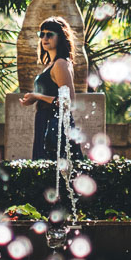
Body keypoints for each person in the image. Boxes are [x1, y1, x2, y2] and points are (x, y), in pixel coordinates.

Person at [19, 16, 75, 161]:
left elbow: (68, 101)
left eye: (49, 34)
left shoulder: (61, 64)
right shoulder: (51, 64)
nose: (44, 38)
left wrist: (36, 96)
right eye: (41, 34)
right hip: (45, 122)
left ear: (60, 37)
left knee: (53, 172)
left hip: (55, 125)